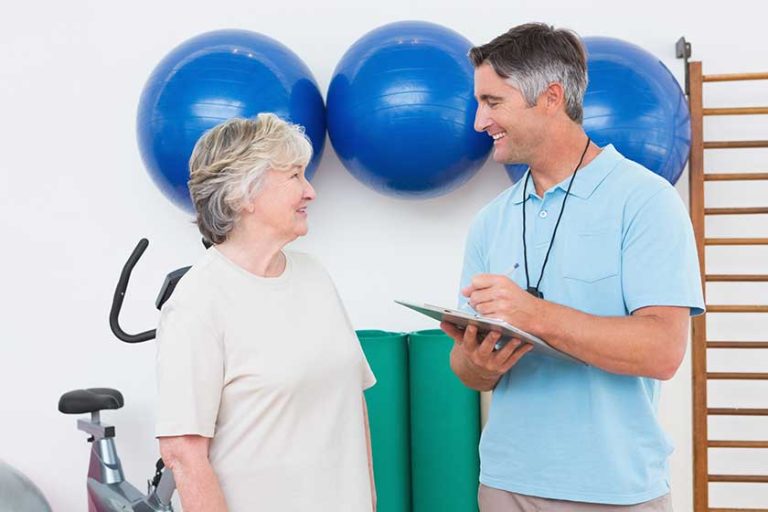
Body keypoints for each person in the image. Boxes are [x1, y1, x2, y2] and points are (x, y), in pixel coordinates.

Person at [440, 23, 704, 511]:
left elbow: (662, 351)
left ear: (550, 97)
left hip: (615, 492)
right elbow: (466, 369)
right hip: (505, 485)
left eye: (493, 102)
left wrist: (533, 315)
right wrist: (477, 363)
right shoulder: (490, 221)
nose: (479, 121)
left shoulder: (647, 202)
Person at [154, 113, 377, 512]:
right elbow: (183, 454)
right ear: (243, 194)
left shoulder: (314, 276)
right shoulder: (198, 301)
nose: (311, 192)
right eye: (294, 176)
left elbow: (352, 405)